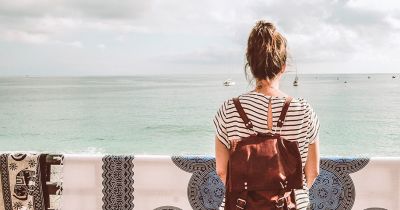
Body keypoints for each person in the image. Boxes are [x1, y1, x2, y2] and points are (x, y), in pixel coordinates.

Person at [213, 20, 320, 210]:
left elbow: (222, 171)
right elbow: (312, 172)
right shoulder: (304, 111)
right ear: (283, 66)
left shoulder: (229, 109)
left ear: (251, 65)